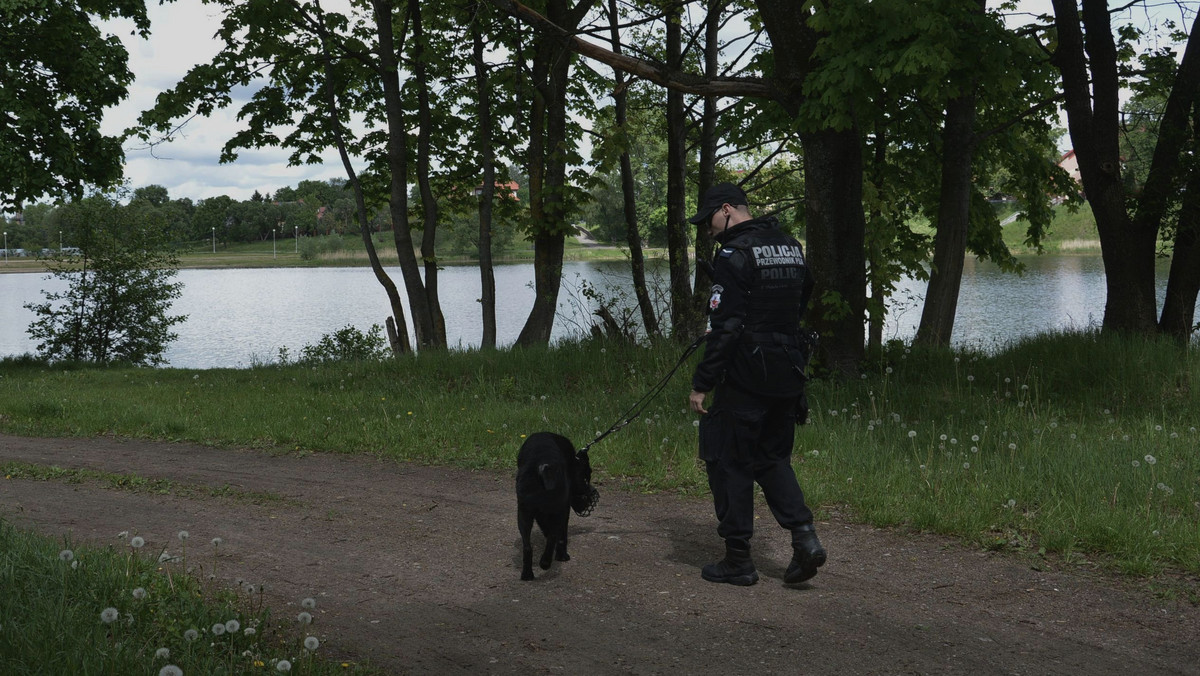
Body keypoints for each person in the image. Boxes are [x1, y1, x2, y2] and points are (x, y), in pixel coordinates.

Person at [687, 181, 825, 586]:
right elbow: (806, 292)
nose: (708, 230)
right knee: (772, 459)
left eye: (710, 220)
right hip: (789, 369)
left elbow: (725, 327)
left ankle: (738, 560)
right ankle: (805, 540)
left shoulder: (733, 254)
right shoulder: (789, 245)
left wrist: (702, 383)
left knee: (730, 461)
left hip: (746, 374)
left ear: (727, 209)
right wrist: (778, 328)